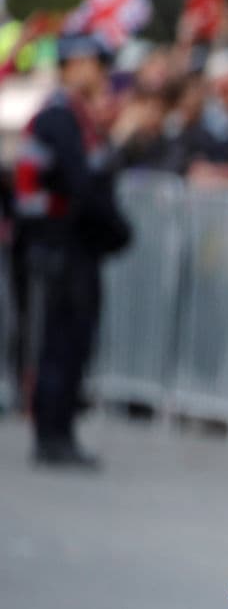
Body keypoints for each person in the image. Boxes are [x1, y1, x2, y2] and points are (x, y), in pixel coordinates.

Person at [13, 33, 131, 468]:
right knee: (61, 342)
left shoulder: (74, 117)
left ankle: (57, 432)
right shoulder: (61, 118)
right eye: (93, 62)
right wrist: (117, 230)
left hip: (68, 246)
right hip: (60, 247)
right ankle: (52, 435)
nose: (100, 71)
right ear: (71, 65)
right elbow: (81, 186)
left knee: (71, 341)